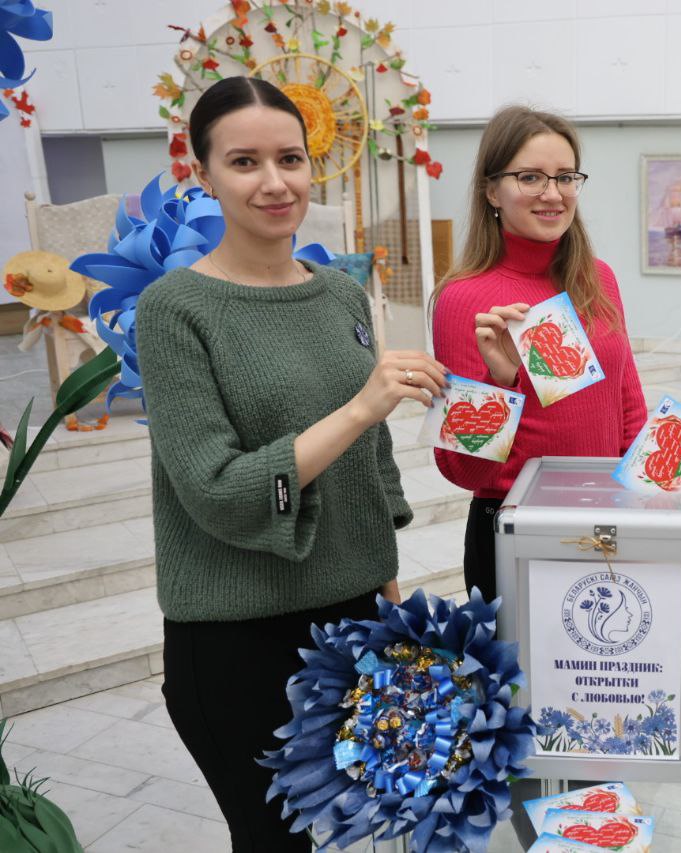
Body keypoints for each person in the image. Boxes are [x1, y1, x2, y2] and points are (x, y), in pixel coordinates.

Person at [135, 76, 447, 851]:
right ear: (202, 174)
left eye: (291, 159)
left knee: (366, 825)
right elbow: (216, 491)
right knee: (275, 840)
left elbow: (371, 463)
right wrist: (360, 407)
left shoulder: (339, 294)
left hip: (354, 614)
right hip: (236, 635)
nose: (274, 182)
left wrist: (388, 593)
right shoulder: (175, 310)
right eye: (244, 162)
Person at [431, 105, 647, 602]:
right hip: (514, 527)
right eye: (530, 177)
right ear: (492, 191)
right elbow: (464, 472)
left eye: (566, 177)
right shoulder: (464, 297)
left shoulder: (599, 278)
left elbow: (627, 405)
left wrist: (654, 493)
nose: (553, 194)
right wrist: (501, 382)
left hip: (602, 518)